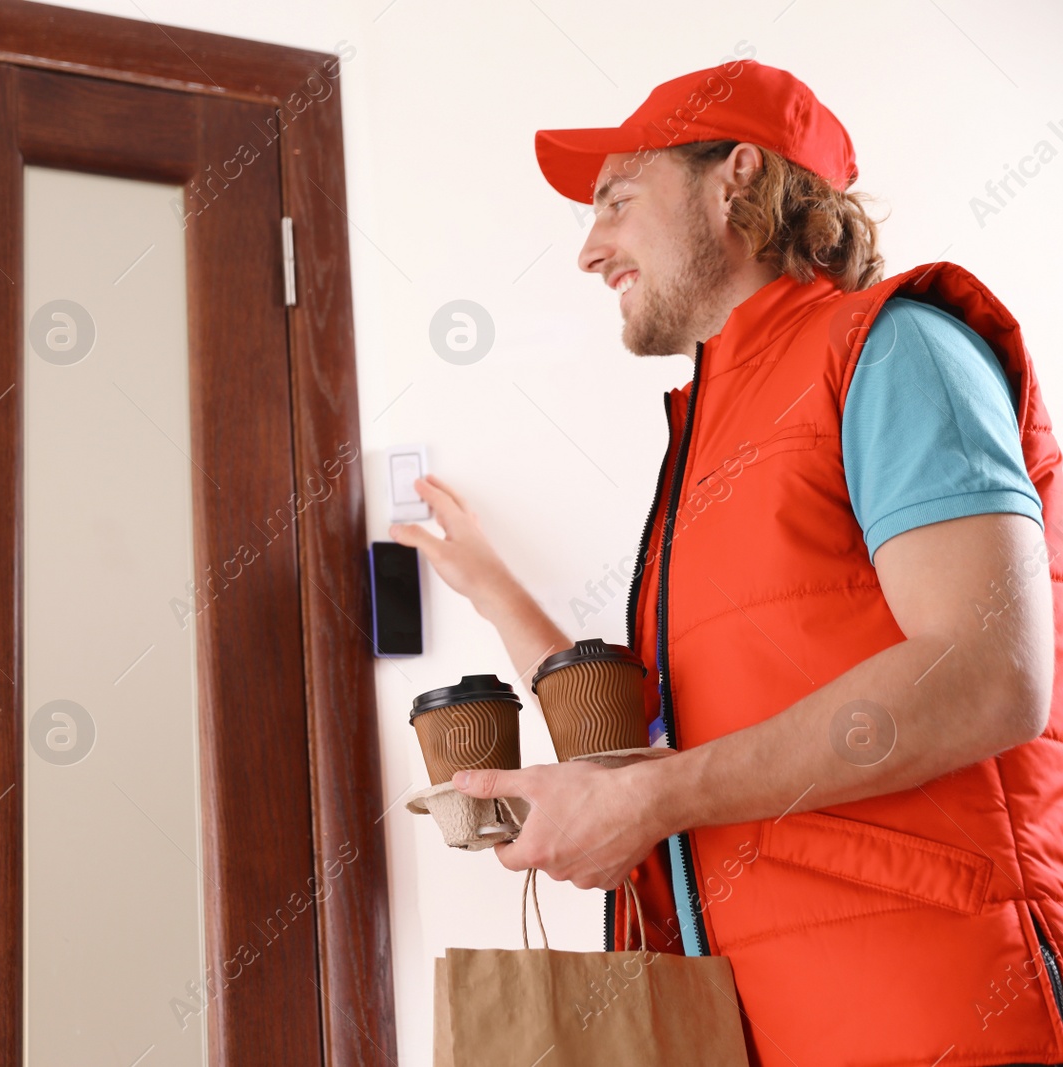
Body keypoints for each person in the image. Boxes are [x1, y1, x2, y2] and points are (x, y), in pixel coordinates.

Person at [390, 59, 1063, 1067]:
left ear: (734, 178)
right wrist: (497, 593)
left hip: (934, 1013)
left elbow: (985, 676)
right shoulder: (712, 435)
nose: (588, 249)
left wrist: (648, 800)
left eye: (615, 200)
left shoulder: (891, 352)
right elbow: (666, 736)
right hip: (770, 1019)